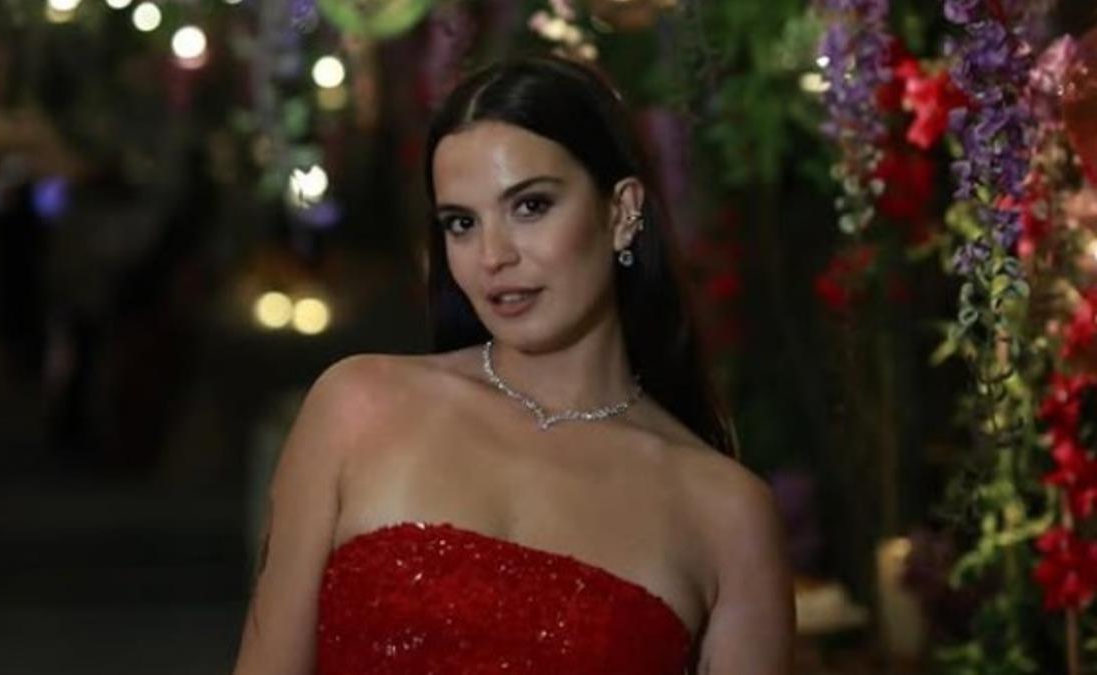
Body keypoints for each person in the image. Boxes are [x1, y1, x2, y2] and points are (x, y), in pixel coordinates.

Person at [231, 55, 794, 675]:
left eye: (530, 206)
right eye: (461, 223)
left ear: (621, 212)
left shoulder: (725, 513)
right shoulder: (358, 408)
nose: (492, 256)